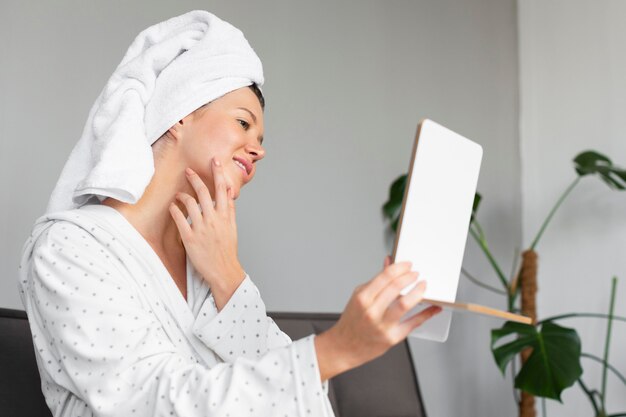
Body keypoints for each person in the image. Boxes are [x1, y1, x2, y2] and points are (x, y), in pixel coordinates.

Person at [17, 10, 441, 417]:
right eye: (243, 123)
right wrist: (336, 348)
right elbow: (149, 403)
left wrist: (227, 276)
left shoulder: (206, 258)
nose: (259, 148)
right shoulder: (69, 248)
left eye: (260, 136)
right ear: (180, 113)